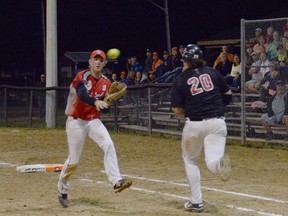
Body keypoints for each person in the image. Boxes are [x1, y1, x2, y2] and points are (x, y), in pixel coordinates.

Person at [57, 49, 132, 208]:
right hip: (75, 121)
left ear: (104, 63)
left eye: (101, 60)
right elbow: (83, 94)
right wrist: (96, 102)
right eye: (95, 59)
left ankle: (116, 181)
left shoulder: (106, 82)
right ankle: (63, 188)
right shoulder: (81, 76)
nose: (98, 62)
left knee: (109, 144)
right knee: (74, 161)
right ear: (90, 62)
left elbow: (103, 107)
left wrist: (106, 104)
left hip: (92, 121)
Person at [170, 44, 232, 212]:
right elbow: (228, 96)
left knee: (190, 160)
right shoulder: (213, 72)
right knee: (212, 159)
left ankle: (197, 202)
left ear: (187, 61)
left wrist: (187, 113)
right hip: (217, 122)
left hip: (195, 124)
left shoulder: (180, 79)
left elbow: (177, 109)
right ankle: (219, 165)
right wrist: (216, 106)